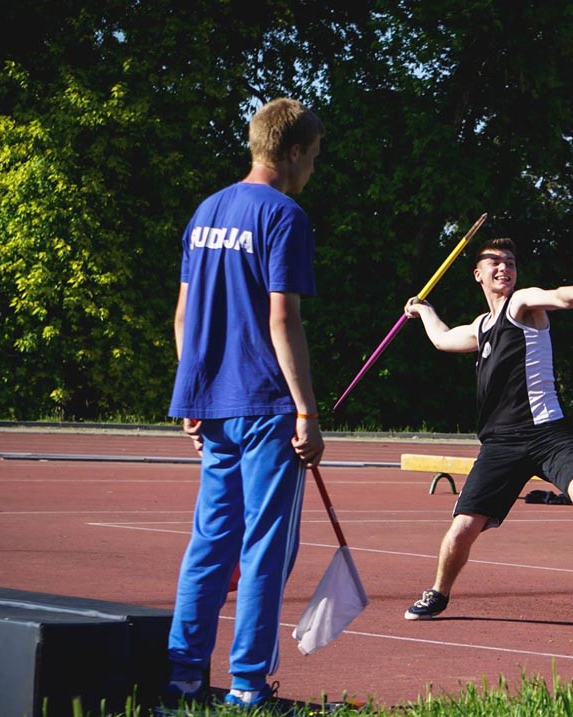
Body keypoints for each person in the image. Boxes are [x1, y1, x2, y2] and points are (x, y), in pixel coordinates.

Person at [401, 237, 573, 622]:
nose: (504, 267)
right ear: (478, 274)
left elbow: (554, 296)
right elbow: (443, 339)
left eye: (510, 262)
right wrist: (424, 310)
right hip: (500, 444)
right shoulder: (481, 327)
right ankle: (438, 594)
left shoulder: (521, 304)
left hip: (549, 434)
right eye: (495, 262)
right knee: (463, 528)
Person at [164, 97, 326, 709]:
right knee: (265, 547)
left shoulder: (206, 210)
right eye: (312, 157)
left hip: (213, 401)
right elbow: (283, 320)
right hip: (265, 403)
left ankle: (183, 678)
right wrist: (307, 411)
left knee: (211, 542)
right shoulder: (285, 215)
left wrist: (192, 394)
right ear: (292, 152)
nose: (312, 169)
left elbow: (183, 316)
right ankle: (247, 687)